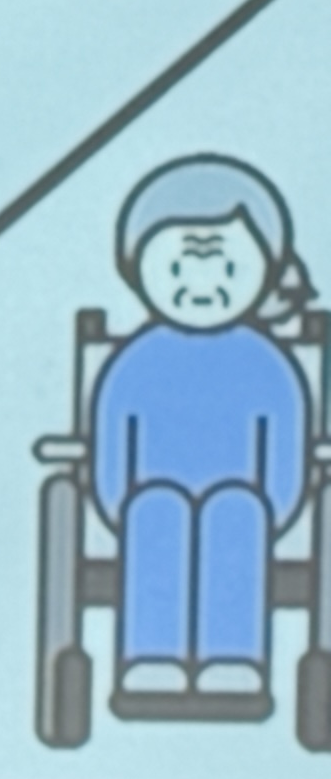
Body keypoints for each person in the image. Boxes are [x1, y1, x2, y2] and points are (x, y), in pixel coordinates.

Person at [88, 154, 314, 703]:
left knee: (234, 513)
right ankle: (150, 655)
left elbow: (287, 453)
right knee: (155, 511)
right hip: (145, 501)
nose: (203, 287)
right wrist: (123, 502)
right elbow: (111, 450)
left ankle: (234, 657)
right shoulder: (135, 364)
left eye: (227, 270)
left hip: (252, 503)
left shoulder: (267, 365)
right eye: (179, 270)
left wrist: (270, 504)